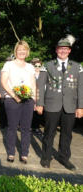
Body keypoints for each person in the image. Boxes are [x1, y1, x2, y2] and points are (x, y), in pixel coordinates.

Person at [36, 35, 83, 170]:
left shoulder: (77, 67)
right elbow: (40, 85)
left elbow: (81, 88)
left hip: (70, 106)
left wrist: (81, 106)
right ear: (56, 50)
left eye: (66, 49)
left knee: (67, 134)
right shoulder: (48, 65)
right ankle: (46, 157)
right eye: (60, 48)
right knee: (49, 133)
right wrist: (40, 103)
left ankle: (64, 157)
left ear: (69, 51)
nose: (63, 51)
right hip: (52, 105)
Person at [1, 40, 36, 164]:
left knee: (26, 128)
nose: (22, 51)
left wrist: (35, 100)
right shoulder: (8, 65)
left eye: (24, 49)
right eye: (19, 49)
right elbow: (4, 82)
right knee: (12, 127)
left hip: (28, 100)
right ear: (16, 51)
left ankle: (24, 153)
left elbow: (33, 83)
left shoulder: (31, 67)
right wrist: (14, 96)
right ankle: (11, 153)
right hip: (12, 99)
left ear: (27, 52)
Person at [30, 58, 44, 137]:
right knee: (31, 113)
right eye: (36, 66)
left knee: (38, 114)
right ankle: (30, 127)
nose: (38, 67)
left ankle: (36, 127)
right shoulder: (30, 74)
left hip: (41, 97)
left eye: (39, 66)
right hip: (32, 96)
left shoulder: (44, 74)